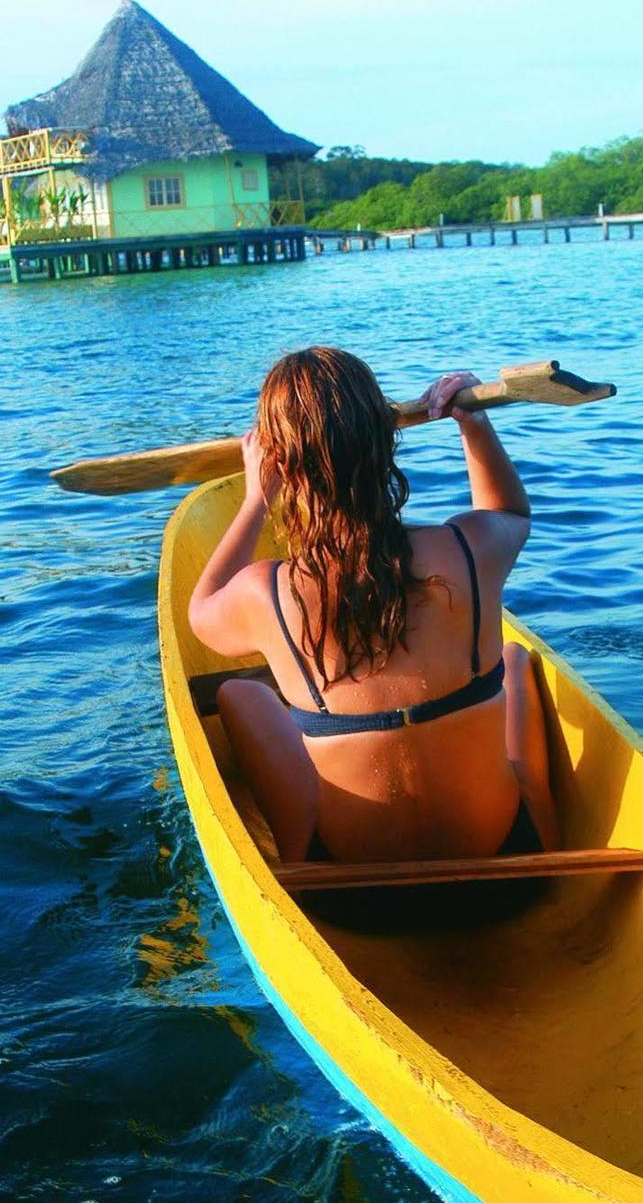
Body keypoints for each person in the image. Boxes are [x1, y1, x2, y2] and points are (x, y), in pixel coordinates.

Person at [187, 348, 558, 866]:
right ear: (387, 440)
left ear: (284, 466)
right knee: (515, 661)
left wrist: (256, 499)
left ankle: (294, 852)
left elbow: (201, 611)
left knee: (238, 692)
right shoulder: (468, 550)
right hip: (508, 863)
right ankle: (543, 815)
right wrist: (473, 425)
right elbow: (510, 513)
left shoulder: (264, 592)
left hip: (352, 893)